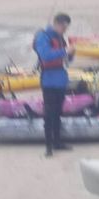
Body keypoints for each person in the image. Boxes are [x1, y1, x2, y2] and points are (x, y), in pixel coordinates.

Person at [33, 13, 76, 157]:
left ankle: (57, 142)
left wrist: (71, 53)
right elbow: (45, 55)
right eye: (64, 27)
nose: (65, 30)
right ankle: (48, 146)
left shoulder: (60, 38)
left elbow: (66, 59)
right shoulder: (43, 37)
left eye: (66, 27)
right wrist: (65, 51)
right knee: (49, 114)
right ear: (57, 24)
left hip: (61, 79)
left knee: (58, 113)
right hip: (49, 80)